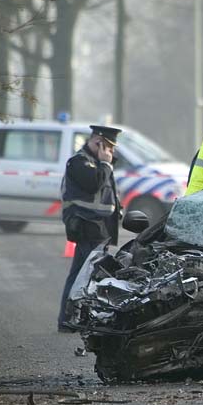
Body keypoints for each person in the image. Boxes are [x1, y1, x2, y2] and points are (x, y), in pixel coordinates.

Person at [57, 125, 122, 333]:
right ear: (97, 142)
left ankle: (73, 319)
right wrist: (105, 162)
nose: (110, 153)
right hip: (86, 226)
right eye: (107, 147)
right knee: (82, 276)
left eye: (112, 149)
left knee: (84, 275)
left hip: (98, 227)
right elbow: (94, 184)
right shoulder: (80, 162)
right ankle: (69, 319)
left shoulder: (97, 163)